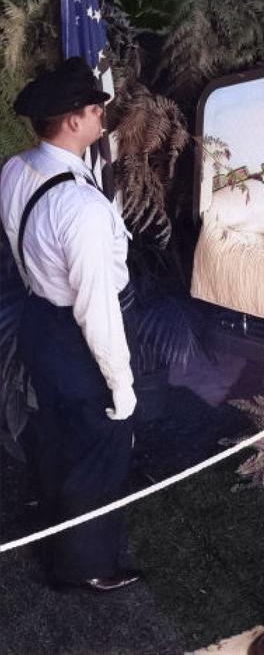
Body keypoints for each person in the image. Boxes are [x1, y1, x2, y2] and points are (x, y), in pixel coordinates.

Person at [0, 57, 140, 592]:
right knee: (99, 445)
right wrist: (121, 386)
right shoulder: (80, 206)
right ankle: (86, 566)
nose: (101, 114)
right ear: (74, 121)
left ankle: (53, 516)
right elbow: (96, 308)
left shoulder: (16, 168)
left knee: (58, 432)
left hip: (38, 322)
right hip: (76, 336)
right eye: (94, 108)